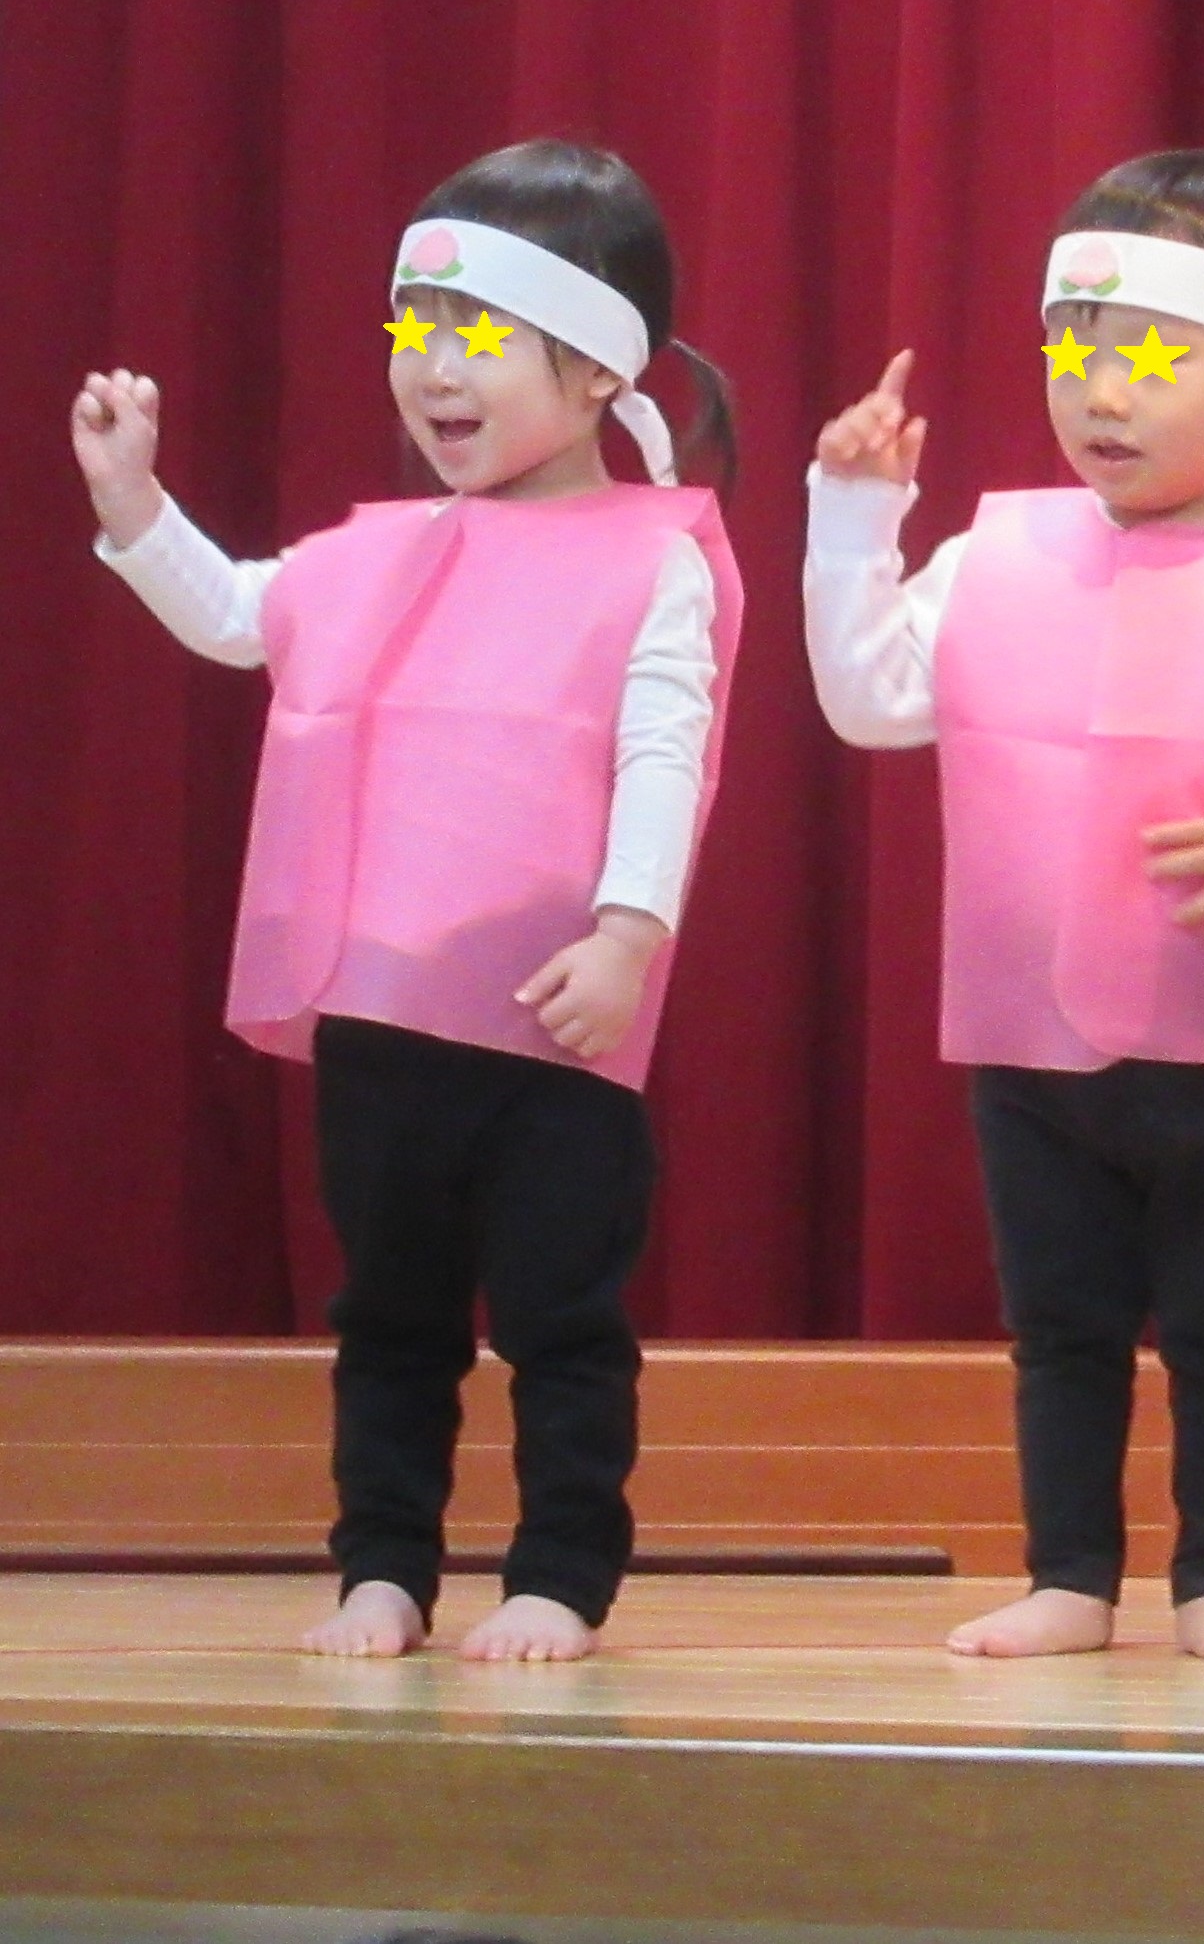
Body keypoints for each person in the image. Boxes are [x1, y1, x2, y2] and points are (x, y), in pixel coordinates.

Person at [70, 139, 744, 1662]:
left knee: (562, 1319)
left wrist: (629, 934)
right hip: (382, 1018)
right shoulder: (378, 553)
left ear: (598, 370)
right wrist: (137, 508)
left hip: (550, 1029)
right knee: (388, 1317)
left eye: (479, 334)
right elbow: (244, 616)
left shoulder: (656, 557)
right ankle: (382, 1563)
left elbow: (663, 747)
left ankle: (560, 1573)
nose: (434, 369)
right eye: (414, 329)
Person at [805, 149, 1204, 1663]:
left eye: (1152, 358)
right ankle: (1071, 1572)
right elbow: (871, 698)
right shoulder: (999, 550)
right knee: (1060, 1324)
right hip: (1032, 1038)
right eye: (1076, 352)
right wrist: (850, 517)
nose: (1103, 394)